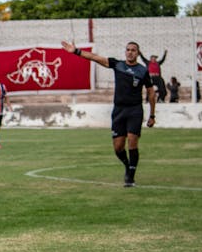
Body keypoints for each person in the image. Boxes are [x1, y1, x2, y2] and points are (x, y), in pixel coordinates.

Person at [62, 40, 155, 187]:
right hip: (119, 110)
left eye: (133, 50)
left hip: (135, 110)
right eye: (128, 49)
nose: (130, 52)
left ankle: (130, 176)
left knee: (132, 140)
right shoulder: (118, 65)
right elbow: (96, 58)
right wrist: (76, 51)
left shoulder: (143, 71)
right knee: (118, 147)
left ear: (138, 53)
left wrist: (152, 115)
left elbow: (150, 92)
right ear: (125, 52)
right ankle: (127, 165)